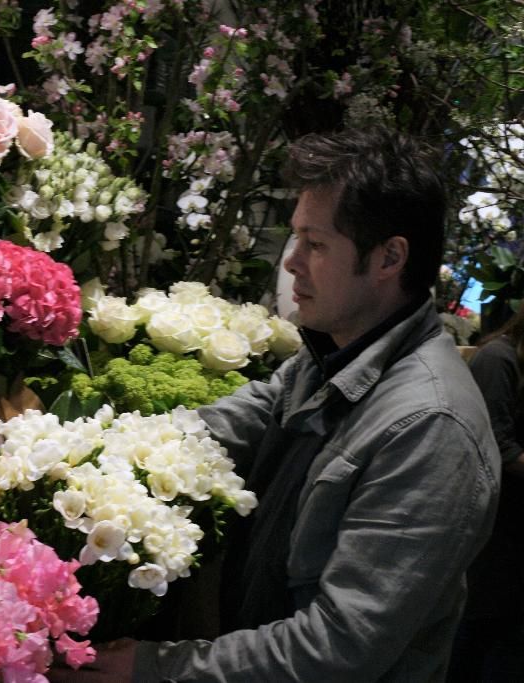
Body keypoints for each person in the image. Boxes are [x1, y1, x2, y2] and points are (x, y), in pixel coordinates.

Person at [53, 127, 501, 682]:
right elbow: (218, 426)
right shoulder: (329, 354)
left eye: (315, 244)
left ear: (389, 258)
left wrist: (152, 668)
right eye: (296, 240)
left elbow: (340, 645)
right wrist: (74, 458)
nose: (292, 264)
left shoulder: (430, 426)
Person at [447, 305, 524, 681]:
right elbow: (496, 443)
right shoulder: (500, 357)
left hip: (512, 526)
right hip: (493, 523)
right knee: (476, 629)